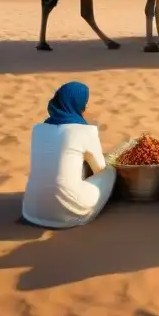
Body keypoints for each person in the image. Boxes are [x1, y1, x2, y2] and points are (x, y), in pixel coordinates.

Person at [22, 81, 117, 228]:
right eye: (85, 103)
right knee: (109, 172)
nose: (85, 107)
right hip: (68, 215)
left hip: (31, 211)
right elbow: (99, 168)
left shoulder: (37, 129)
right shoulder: (85, 131)